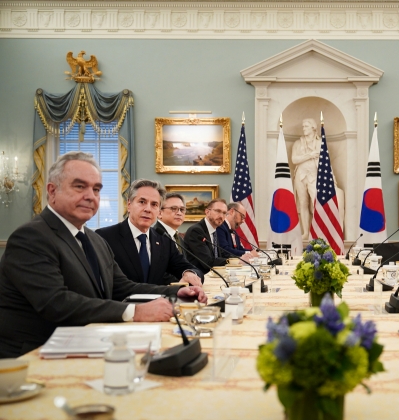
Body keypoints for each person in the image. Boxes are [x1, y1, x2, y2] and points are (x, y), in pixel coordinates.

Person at [0, 152, 206, 358]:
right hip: (34, 357)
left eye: (96, 189)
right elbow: (56, 303)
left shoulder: (94, 240)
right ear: (52, 191)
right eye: (80, 186)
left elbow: (121, 286)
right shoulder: (31, 237)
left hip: (87, 343)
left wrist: (175, 292)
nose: (90, 195)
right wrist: (136, 312)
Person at [96, 180, 203, 287]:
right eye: (142, 202)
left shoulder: (164, 240)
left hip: (159, 302)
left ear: (158, 211)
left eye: (154, 204)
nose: (148, 209)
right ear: (129, 205)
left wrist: (189, 273)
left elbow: (191, 269)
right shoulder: (105, 237)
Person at [291, 118, 321, 239]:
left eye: (306, 126)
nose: (303, 128)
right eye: (303, 126)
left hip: (314, 175)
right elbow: (294, 160)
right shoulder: (298, 143)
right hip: (300, 174)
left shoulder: (320, 143)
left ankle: (317, 230)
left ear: (313, 128)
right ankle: (306, 232)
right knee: (303, 203)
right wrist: (310, 155)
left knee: (316, 202)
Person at [183, 198, 230, 273]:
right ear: (207, 212)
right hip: (199, 277)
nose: (221, 216)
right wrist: (231, 261)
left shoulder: (214, 230)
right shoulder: (196, 231)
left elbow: (221, 254)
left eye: (224, 213)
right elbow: (207, 262)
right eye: (218, 211)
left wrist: (240, 259)